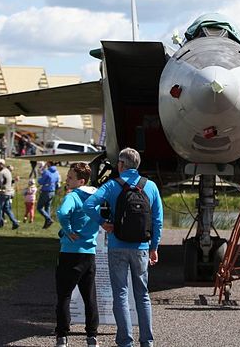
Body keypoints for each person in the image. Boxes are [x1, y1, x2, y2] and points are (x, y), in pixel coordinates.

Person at [84, 147, 163, 347]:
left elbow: (89, 205)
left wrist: (102, 222)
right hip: (141, 247)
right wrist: (154, 246)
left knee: (120, 293)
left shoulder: (112, 185)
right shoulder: (151, 186)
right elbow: (157, 220)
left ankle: (125, 341)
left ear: (121, 164)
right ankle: (147, 341)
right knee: (143, 295)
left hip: (117, 245)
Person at [55, 162, 102, 347]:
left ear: (80, 181)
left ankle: (62, 337)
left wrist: (67, 229)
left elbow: (62, 212)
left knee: (64, 296)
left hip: (70, 253)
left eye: (70, 177)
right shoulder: (96, 197)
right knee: (89, 298)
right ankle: (92, 337)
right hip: (89, 253)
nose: (67, 179)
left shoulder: (73, 196)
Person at [0, 159, 20, 230]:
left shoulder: (1, 173)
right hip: (8, 193)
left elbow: (0, 183)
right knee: (7, 209)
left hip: (2, 193)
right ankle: (15, 222)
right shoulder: (8, 171)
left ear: (1, 164)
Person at [38, 162, 61, 229]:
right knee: (47, 207)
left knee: (39, 207)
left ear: (49, 164)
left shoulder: (47, 172)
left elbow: (40, 182)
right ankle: (46, 224)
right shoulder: (56, 172)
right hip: (52, 191)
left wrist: (39, 178)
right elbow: (57, 182)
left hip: (46, 191)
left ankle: (49, 219)